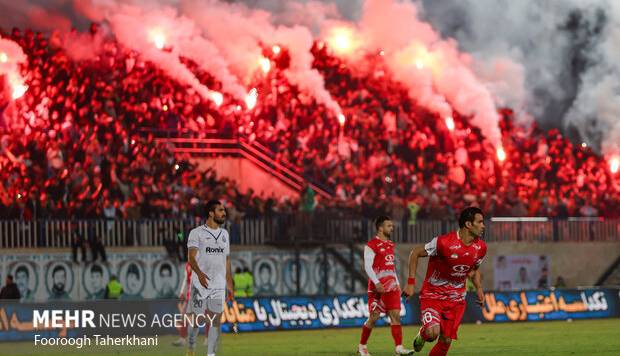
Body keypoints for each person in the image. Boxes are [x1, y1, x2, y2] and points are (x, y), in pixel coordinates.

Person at [403, 207, 488, 356]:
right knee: (432, 333)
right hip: (433, 295)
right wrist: (410, 283)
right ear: (468, 224)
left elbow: (473, 270)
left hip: (456, 299)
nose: (483, 225)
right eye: (480, 222)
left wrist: (479, 288)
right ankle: (423, 334)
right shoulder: (443, 242)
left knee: (446, 340)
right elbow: (415, 252)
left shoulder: (481, 247)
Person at [357, 215, 414, 356]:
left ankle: (399, 348)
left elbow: (391, 267)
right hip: (377, 287)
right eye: (389, 226)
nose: (392, 228)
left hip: (392, 287)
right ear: (380, 228)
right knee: (374, 317)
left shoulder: (390, 244)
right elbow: (367, 267)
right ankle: (362, 346)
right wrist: (376, 283)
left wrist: (398, 283)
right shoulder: (371, 245)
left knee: (395, 316)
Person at [186, 200, 234, 356]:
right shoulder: (196, 233)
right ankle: (191, 348)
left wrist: (230, 284)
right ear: (211, 213)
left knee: (215, 321)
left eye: (224, 210)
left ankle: (211, 354)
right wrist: (199, 274)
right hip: (200, 283)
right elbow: (191, 258)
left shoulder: (225, 235)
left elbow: (226, 260)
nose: (224, 213)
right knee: (197, 321)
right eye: (220, 210)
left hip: (219, 284)